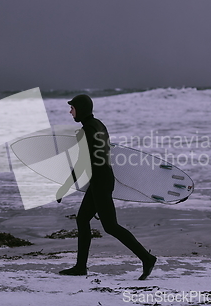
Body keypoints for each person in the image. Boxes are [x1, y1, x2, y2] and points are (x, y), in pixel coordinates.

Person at [57, 94, 157, 280]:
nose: (70, 112)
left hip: (100, 182)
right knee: (82, 219)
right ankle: (80, 267)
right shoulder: (99, 125)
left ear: (81, 109)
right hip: (103, 179)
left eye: (72, 108)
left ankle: (147, 258)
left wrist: (65, 187)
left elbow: (81, 164)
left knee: (110, 226)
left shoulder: (87, 130)